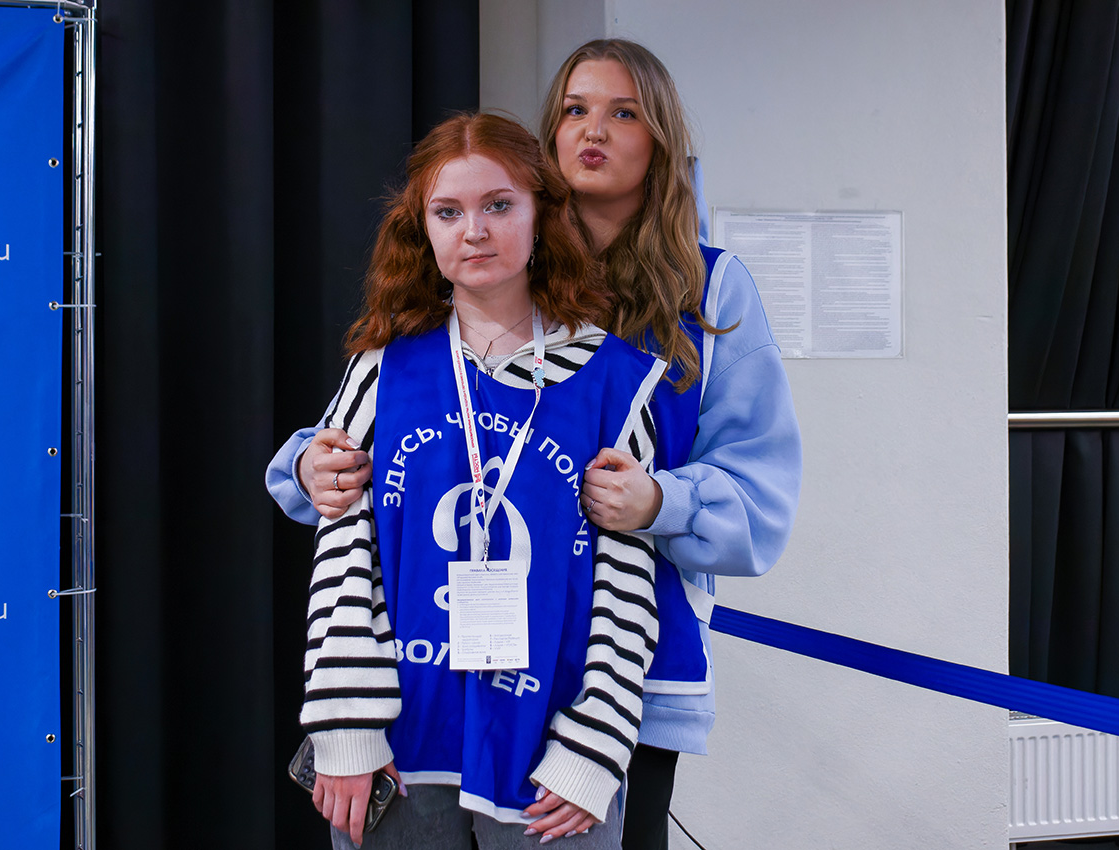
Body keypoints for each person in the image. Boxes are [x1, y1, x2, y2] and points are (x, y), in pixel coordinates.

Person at [277, 40, 802, 850]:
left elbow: (760, 496)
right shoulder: (453, 298)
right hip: (435, 682)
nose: (595, 130)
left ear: (661, 136)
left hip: (619, 676)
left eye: (624, 112)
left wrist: (658, 501)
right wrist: (308, 464)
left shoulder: (704, 290)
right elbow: (363, 473)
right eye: (575, 110)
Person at [269, 112, 666, 849]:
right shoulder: (385, 367)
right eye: (448, 212)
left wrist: (594, 747)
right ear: (422, 230)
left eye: (499, 206)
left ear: (542, 215)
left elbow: (627, 579)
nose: (474, 231)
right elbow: (344, 552)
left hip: (550, 749)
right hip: (399, 741)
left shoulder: (614, 381)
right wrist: (346, 730)